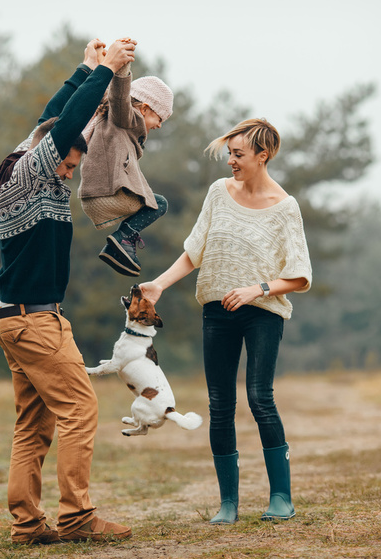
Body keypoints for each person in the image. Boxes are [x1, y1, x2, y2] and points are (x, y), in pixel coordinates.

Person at [0, 38, 136, 545]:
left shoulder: (17, 161)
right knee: (80, 410)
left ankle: (27, 526)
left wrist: (86, 67)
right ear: (50, 157)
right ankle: (76, 516)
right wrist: (110, 71)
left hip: (17, 318)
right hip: (36, 321)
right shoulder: (32, 173)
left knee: (34, 424)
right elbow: (66, 124)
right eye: (69, 166)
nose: (70, 175)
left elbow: (50, 118)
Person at [139, 118, 312, 524]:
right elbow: (194, 251)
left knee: (259, 398)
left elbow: (301, 275)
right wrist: (160, 285)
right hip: (217, 311)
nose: (230, 161)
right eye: (229, 154)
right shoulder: (219, 193)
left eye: (238, 154)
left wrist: (258, 289)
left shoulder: (285, 208)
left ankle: (281, 498)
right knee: (220, 404)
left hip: (263, 314)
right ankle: (228, 504)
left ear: (262, 156)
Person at [78, 51, 174, 276]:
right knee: (159, 204)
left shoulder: (110, 117)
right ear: (145, 108)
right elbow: (120, 95)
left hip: (93, 195)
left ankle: (119, 244)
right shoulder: (125, 117)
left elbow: (101, 91)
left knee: (154, 200)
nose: (160, 126)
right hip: (109, 192)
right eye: (159, 118)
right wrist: (122, 66)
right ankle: (122, 240)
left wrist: (100, 66)